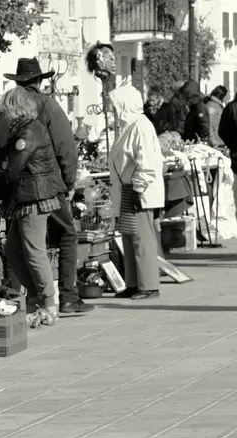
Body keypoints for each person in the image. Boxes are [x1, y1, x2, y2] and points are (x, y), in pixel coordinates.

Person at [0, 58, 92, 316]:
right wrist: (69, 181)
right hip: (44, 187)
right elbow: (65, 147)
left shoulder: (0, 109)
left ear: (17, 80)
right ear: (39, 80)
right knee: (61, 236)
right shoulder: (46, 104)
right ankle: (66, 297)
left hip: (17, 188)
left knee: (22, 246)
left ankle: (36, 297)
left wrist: (0, 174)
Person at [0, 88, 64, 327]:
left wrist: (4, 166)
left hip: (33, 196)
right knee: (14, 250)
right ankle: (36, 297)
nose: (3, 115)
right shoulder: (26, 129)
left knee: (34, 251)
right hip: (28, 196)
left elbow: (12, 169)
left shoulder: (28, 131)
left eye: (5, 110)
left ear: (15, 109)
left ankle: (48, 303)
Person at [109, 86, 164, 300]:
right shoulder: (128, 126)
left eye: (115, 106)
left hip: (138, 190)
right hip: (128, 188)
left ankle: (149, 284)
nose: (113, 111)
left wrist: (138, 188)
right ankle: (133, 282)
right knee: (129, 237)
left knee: (142, 239)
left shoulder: (141, 126)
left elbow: (148, 164)